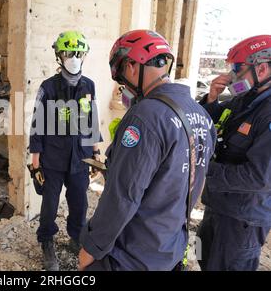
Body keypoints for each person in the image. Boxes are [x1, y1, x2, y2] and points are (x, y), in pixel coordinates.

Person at [78, 30, 216, 271]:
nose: (123, 87)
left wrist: (92, 247)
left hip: (132, 254)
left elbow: (122, 195)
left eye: (121, 78)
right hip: (169, 248)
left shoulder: (145, 117)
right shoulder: (201, 115)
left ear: (132, 66)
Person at [29, 31, 103, 271]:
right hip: (52, 159)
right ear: (59, 56)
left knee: (79, 202)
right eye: (68, 53)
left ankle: (75, 237)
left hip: (80, 159)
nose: (73, 58)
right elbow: (37, 123)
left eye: (78, 53)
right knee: (50, 204)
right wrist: (35, 162)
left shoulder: (89, 86)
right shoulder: (48, 87)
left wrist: (96, 154)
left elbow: (92, 120)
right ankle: (47, 240)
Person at [196, 35, 271, 271]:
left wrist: (204, 168)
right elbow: (207, 123)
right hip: (217, 206)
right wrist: (211, 99)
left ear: (262, 68)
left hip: (242, 222)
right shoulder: (243, 100)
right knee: (203, 259)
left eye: (237, 69)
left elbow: (260, 177)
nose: (231, 76)